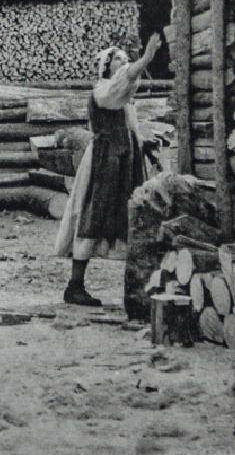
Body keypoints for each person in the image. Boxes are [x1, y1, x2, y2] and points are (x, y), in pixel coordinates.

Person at [55, 33, 162, 306]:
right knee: (94, 213)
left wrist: (142, 142)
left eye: (126, 59)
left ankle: (141, 288)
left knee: (125, 217)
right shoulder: (103, 90)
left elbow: (128, 118)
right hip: (104, 161)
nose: (124, 63)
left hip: (123, 161)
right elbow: (123, 84)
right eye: (118, 59)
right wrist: (146, 59)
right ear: (106, 66)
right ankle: (74, 286)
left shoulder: (122, 95)